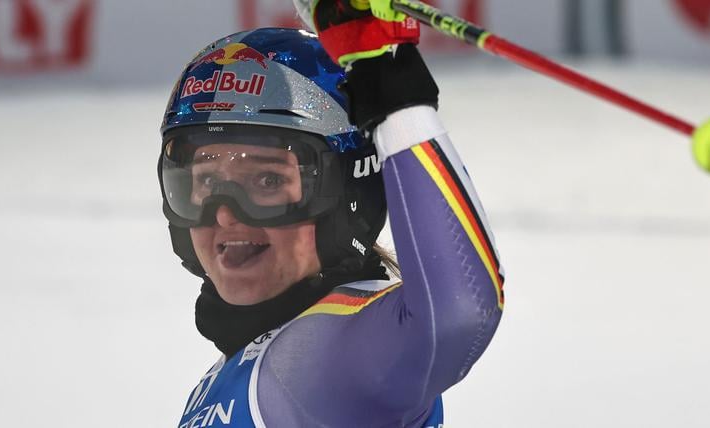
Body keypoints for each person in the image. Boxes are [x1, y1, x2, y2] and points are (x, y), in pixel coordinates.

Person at [158, 1, 504, 426]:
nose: (225, 215)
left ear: (348, 193)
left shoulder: (327, 357)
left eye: (267, 181)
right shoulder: (232, 374)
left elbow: (457, 314)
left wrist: (392, 90)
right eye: (207, 182)